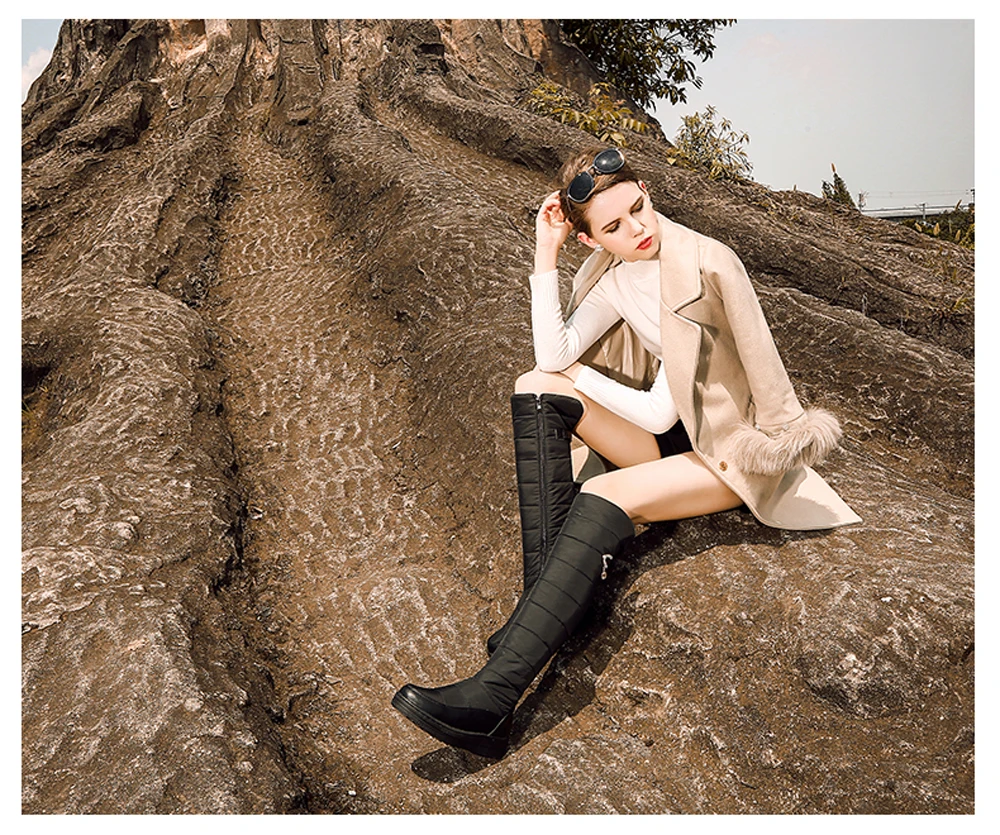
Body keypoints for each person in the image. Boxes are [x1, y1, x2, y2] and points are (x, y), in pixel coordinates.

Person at [392, 146, 860, 759]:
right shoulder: (613, 276)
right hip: (670, 443)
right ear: (590, 240)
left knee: (602, 489)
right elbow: (552, 357)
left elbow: (660, 410)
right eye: (613, 226)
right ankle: (543, 613)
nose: (637, 228)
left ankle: (494, 698)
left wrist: (581, 377)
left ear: (646, 192)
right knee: (535, 387)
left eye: (639, 207)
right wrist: (546, 252)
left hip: (730, 454)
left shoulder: (705, 264)